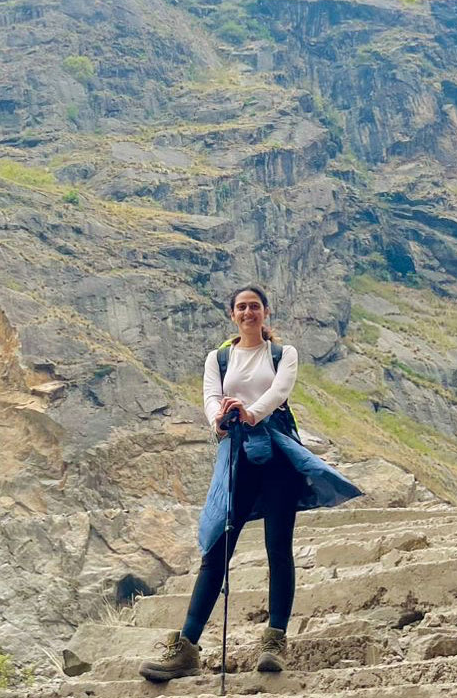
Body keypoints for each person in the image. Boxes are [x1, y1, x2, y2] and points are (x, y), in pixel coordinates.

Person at [138, 285, 363, 683]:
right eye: (241, 307)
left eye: (254, 307)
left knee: (278, 545)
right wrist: (220, 419)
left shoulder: (282, 354)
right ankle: (186, 647)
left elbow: (280, 392)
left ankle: (274, 640)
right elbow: (210, 396)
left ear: (266, 313)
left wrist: (249, 412)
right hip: (236, 456)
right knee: (216, 548)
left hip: (277, 456)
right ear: (232, 315)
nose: (248, 313)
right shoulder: (218, 358)